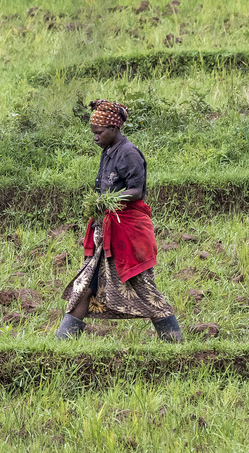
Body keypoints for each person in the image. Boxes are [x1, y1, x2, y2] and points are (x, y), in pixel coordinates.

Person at [54, 99, 183, 342]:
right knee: (86, 284)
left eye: (99, 133)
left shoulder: (128, 153)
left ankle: (175, 343)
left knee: (144, 289)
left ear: (114, 129)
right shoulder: (108, 152)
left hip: (128, 233)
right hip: (108, 231)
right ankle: (62, 345)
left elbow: (137, 191)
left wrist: (109, 200)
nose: (95, 138)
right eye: (93, 133)